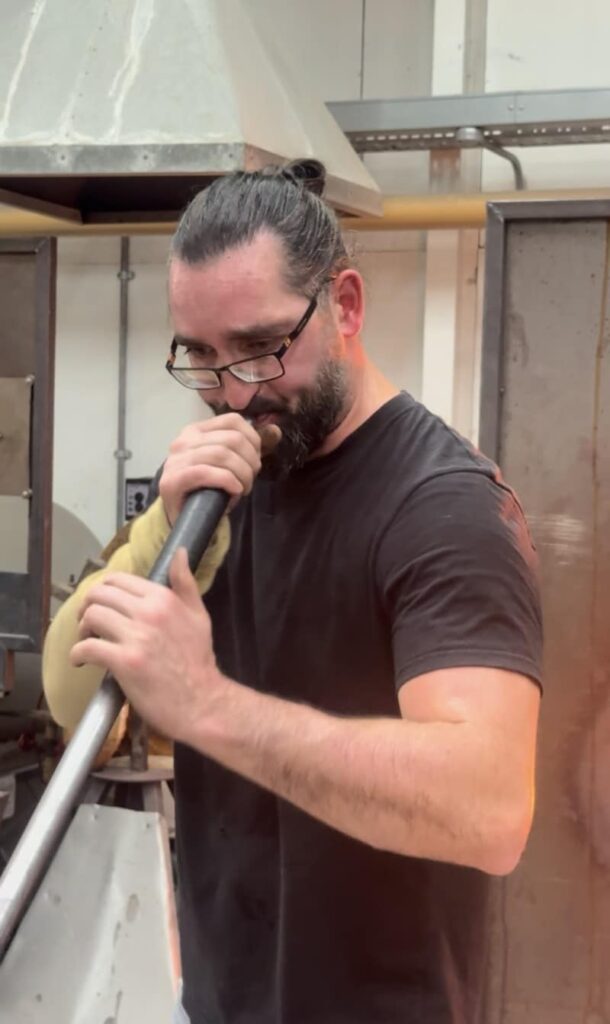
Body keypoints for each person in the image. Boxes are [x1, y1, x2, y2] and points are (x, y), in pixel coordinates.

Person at [43, 160, 543, 1024]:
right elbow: (69, 693)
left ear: (344, 306)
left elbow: (490, 808)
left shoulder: (444, 506)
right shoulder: (215, 488)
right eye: (201, 355)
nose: (234, 391)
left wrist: (208, 707)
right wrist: (165, 527)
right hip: (220, 1001)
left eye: (261, 346)